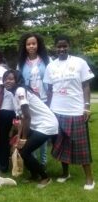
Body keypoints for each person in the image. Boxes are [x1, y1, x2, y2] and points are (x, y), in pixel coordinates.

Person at [43, 35, 95, 190]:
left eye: (64, 46)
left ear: (69, 46)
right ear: (55, 48)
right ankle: (65, 173)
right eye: (59, 46)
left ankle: (90, 179)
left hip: (76, 111)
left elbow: (86, 86)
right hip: (57, 111)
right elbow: (50, 90)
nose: (61, 49)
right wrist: (49, 109)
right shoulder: (50, 66)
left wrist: (86, 106)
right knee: (61, 144)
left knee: (81, 146)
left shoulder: (80, 63)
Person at [17, 32, 51, 168]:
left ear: (38, 45)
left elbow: (51, 82)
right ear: (25, 46)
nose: (31, 46)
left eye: (34, 43)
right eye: (28, 44)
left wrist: (49, 100)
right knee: (31, 130)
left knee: (41, 132)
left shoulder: (47, 61)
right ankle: (34, 159)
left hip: (43, 100)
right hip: (28, 101)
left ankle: (43, 161)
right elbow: (19, 81)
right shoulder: (21, 63)